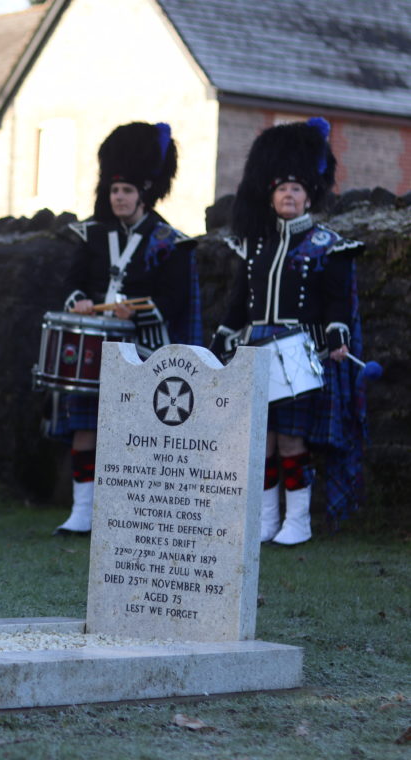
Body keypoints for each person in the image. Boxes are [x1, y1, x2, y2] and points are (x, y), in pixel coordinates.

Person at [210, 118, 366, 546]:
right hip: (255, 350)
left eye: (297, 189)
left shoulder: (326, 244)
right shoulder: (254, 246)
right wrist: (225, 333)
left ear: (309, 194)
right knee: (261, 440)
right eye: (282, 189)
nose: (289, 195)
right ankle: (265, 520)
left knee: (293, 440)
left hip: (299, 353)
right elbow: (239, 301)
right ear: (271, 195)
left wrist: (337, 336)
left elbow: (337, 303)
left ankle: (298, 522)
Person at [50, 122, 202, 536]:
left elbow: (175, 301)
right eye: (115, 190)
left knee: (132, 432)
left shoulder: (170, 241)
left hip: (144, 350)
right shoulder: (92, 235)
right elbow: (71, 282)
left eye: (128, 191)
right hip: (92, 348)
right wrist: (78, 301)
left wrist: (132, 315)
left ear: (144, 193)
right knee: (83, 428)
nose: (119, 197)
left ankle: (126, 514)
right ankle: (83, 512)